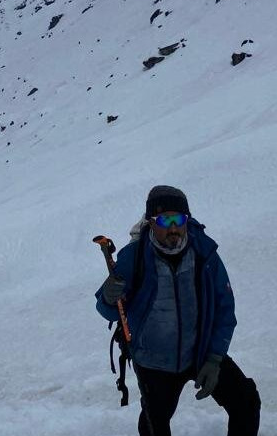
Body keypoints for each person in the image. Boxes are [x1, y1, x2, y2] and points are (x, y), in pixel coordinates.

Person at [95, 185, 260, 436]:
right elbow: (110, 309)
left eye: (179, 219)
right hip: (154, 362)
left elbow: (225, 309)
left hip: (199, 352)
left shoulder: (204, 253)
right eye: (164, 220)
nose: (173, 227)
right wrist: (108, 298)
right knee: (154, 426)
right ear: (151, 222)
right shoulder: (134, 257)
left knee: (246, 402)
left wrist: (215, 359)